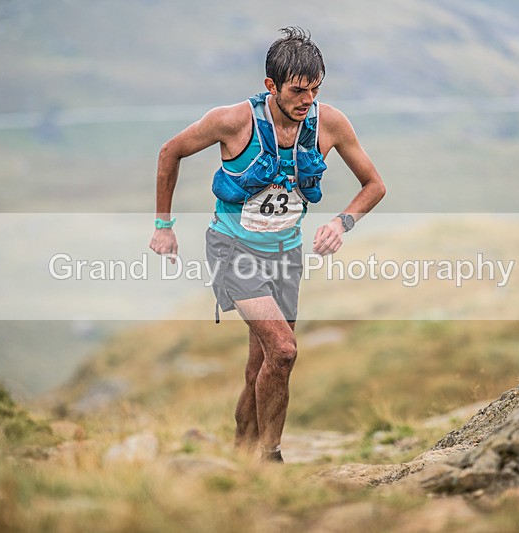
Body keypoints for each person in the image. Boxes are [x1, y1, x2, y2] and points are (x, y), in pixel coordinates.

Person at [149, 27, 385, 462]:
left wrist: (342, 222)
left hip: (285, 256)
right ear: (270, 86)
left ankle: (240, 457)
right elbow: (170, 151)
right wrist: (164, 225)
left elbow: (374, 185)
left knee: (263, 366)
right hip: (232, 250)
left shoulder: (329, 123)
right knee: (285, 350)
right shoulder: (232, 121)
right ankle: (269, 458)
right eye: (297, 91)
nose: (307, 101)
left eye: (315, 90)